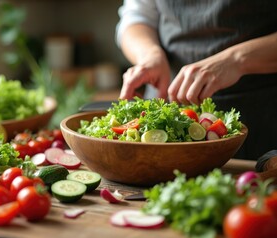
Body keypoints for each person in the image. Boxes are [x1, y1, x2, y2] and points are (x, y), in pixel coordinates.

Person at [115, 0, 277, 160]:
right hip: (165, 101)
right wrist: (149, 55)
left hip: (261, 113)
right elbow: (136, 17)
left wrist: (238, 59)